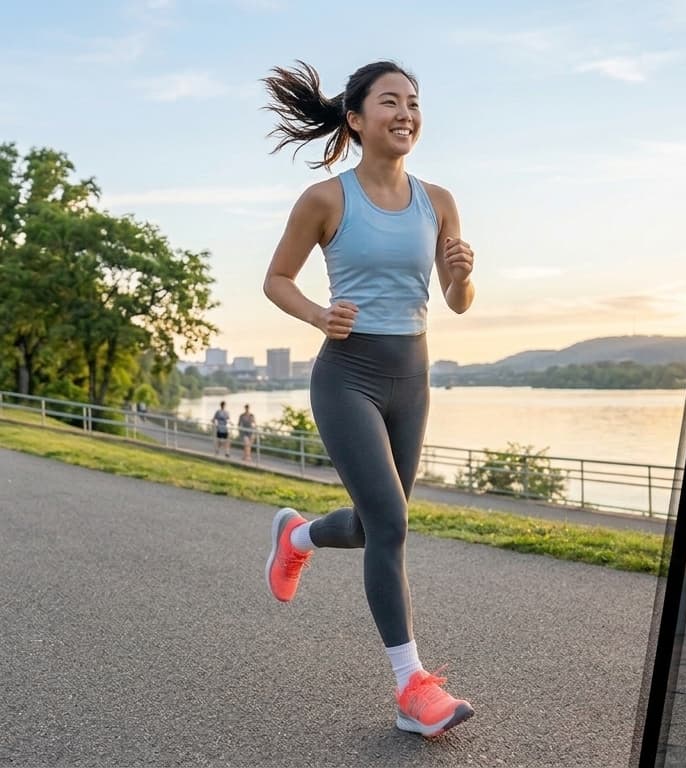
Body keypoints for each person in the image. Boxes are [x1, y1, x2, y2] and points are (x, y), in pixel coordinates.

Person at [259, 59, 477, 738]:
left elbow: (457, 303)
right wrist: (320, 315)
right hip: (347, 375)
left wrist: (465, 276)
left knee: (373, 522)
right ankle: (412, 687)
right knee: (391, 526)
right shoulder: (326, 200)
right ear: (356, 118)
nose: (406, 112)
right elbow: (276, 279)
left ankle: (297, 535)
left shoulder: (437, 200)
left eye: (414, 101)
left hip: (412, 376)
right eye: (391, 101)